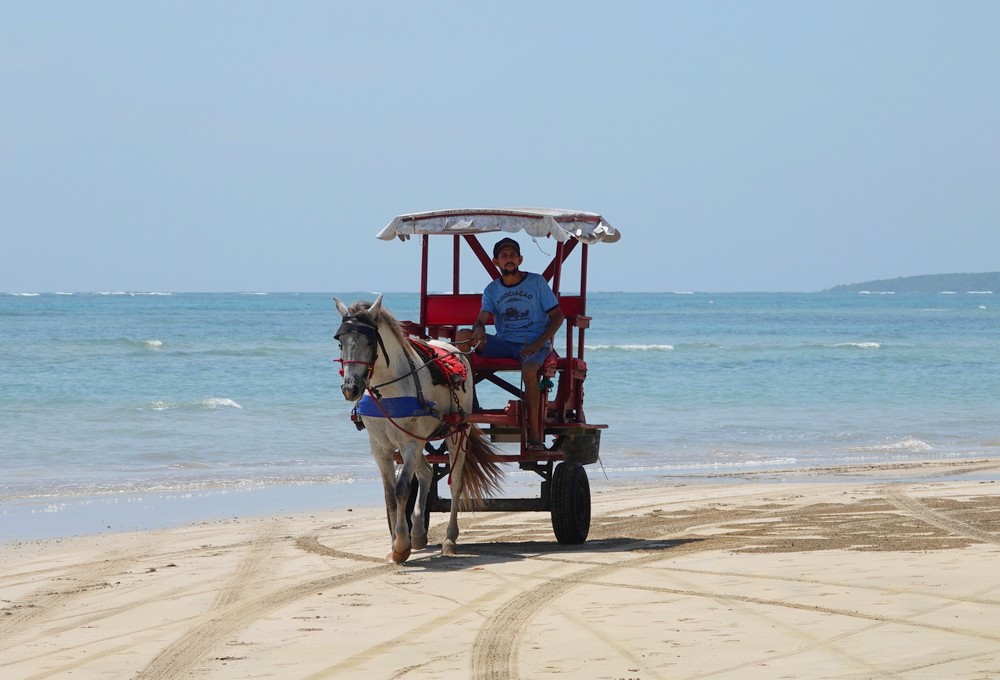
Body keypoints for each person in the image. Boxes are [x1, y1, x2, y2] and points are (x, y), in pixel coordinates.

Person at [456, 237, 564, 450]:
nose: (509, 259)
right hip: (504, 343)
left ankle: (535, 436)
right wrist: (479, 328)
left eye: (513, 255)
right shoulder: (492, 289)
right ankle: (471, 401)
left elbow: (558, 316)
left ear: (520, 259)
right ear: (496, 261)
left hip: (534, 344)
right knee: (463, 336)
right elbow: (481, 319)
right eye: (504, 256)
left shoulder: (537, 282)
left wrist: (538, 344)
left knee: (530, 369)